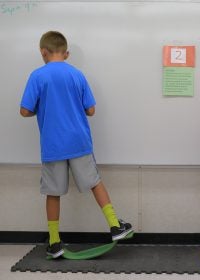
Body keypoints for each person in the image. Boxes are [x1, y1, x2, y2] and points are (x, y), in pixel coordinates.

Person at [20, 31, 133, 258]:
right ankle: (114, 225)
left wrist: (43, 108)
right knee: (94, 182)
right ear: (67, 53)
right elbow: (91, 110)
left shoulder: (37, 76)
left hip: (53, 145)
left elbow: (24, 111)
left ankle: (54, 242)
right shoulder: (77, 75)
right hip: (79, 141)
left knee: (53, 192)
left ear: (43, 52)